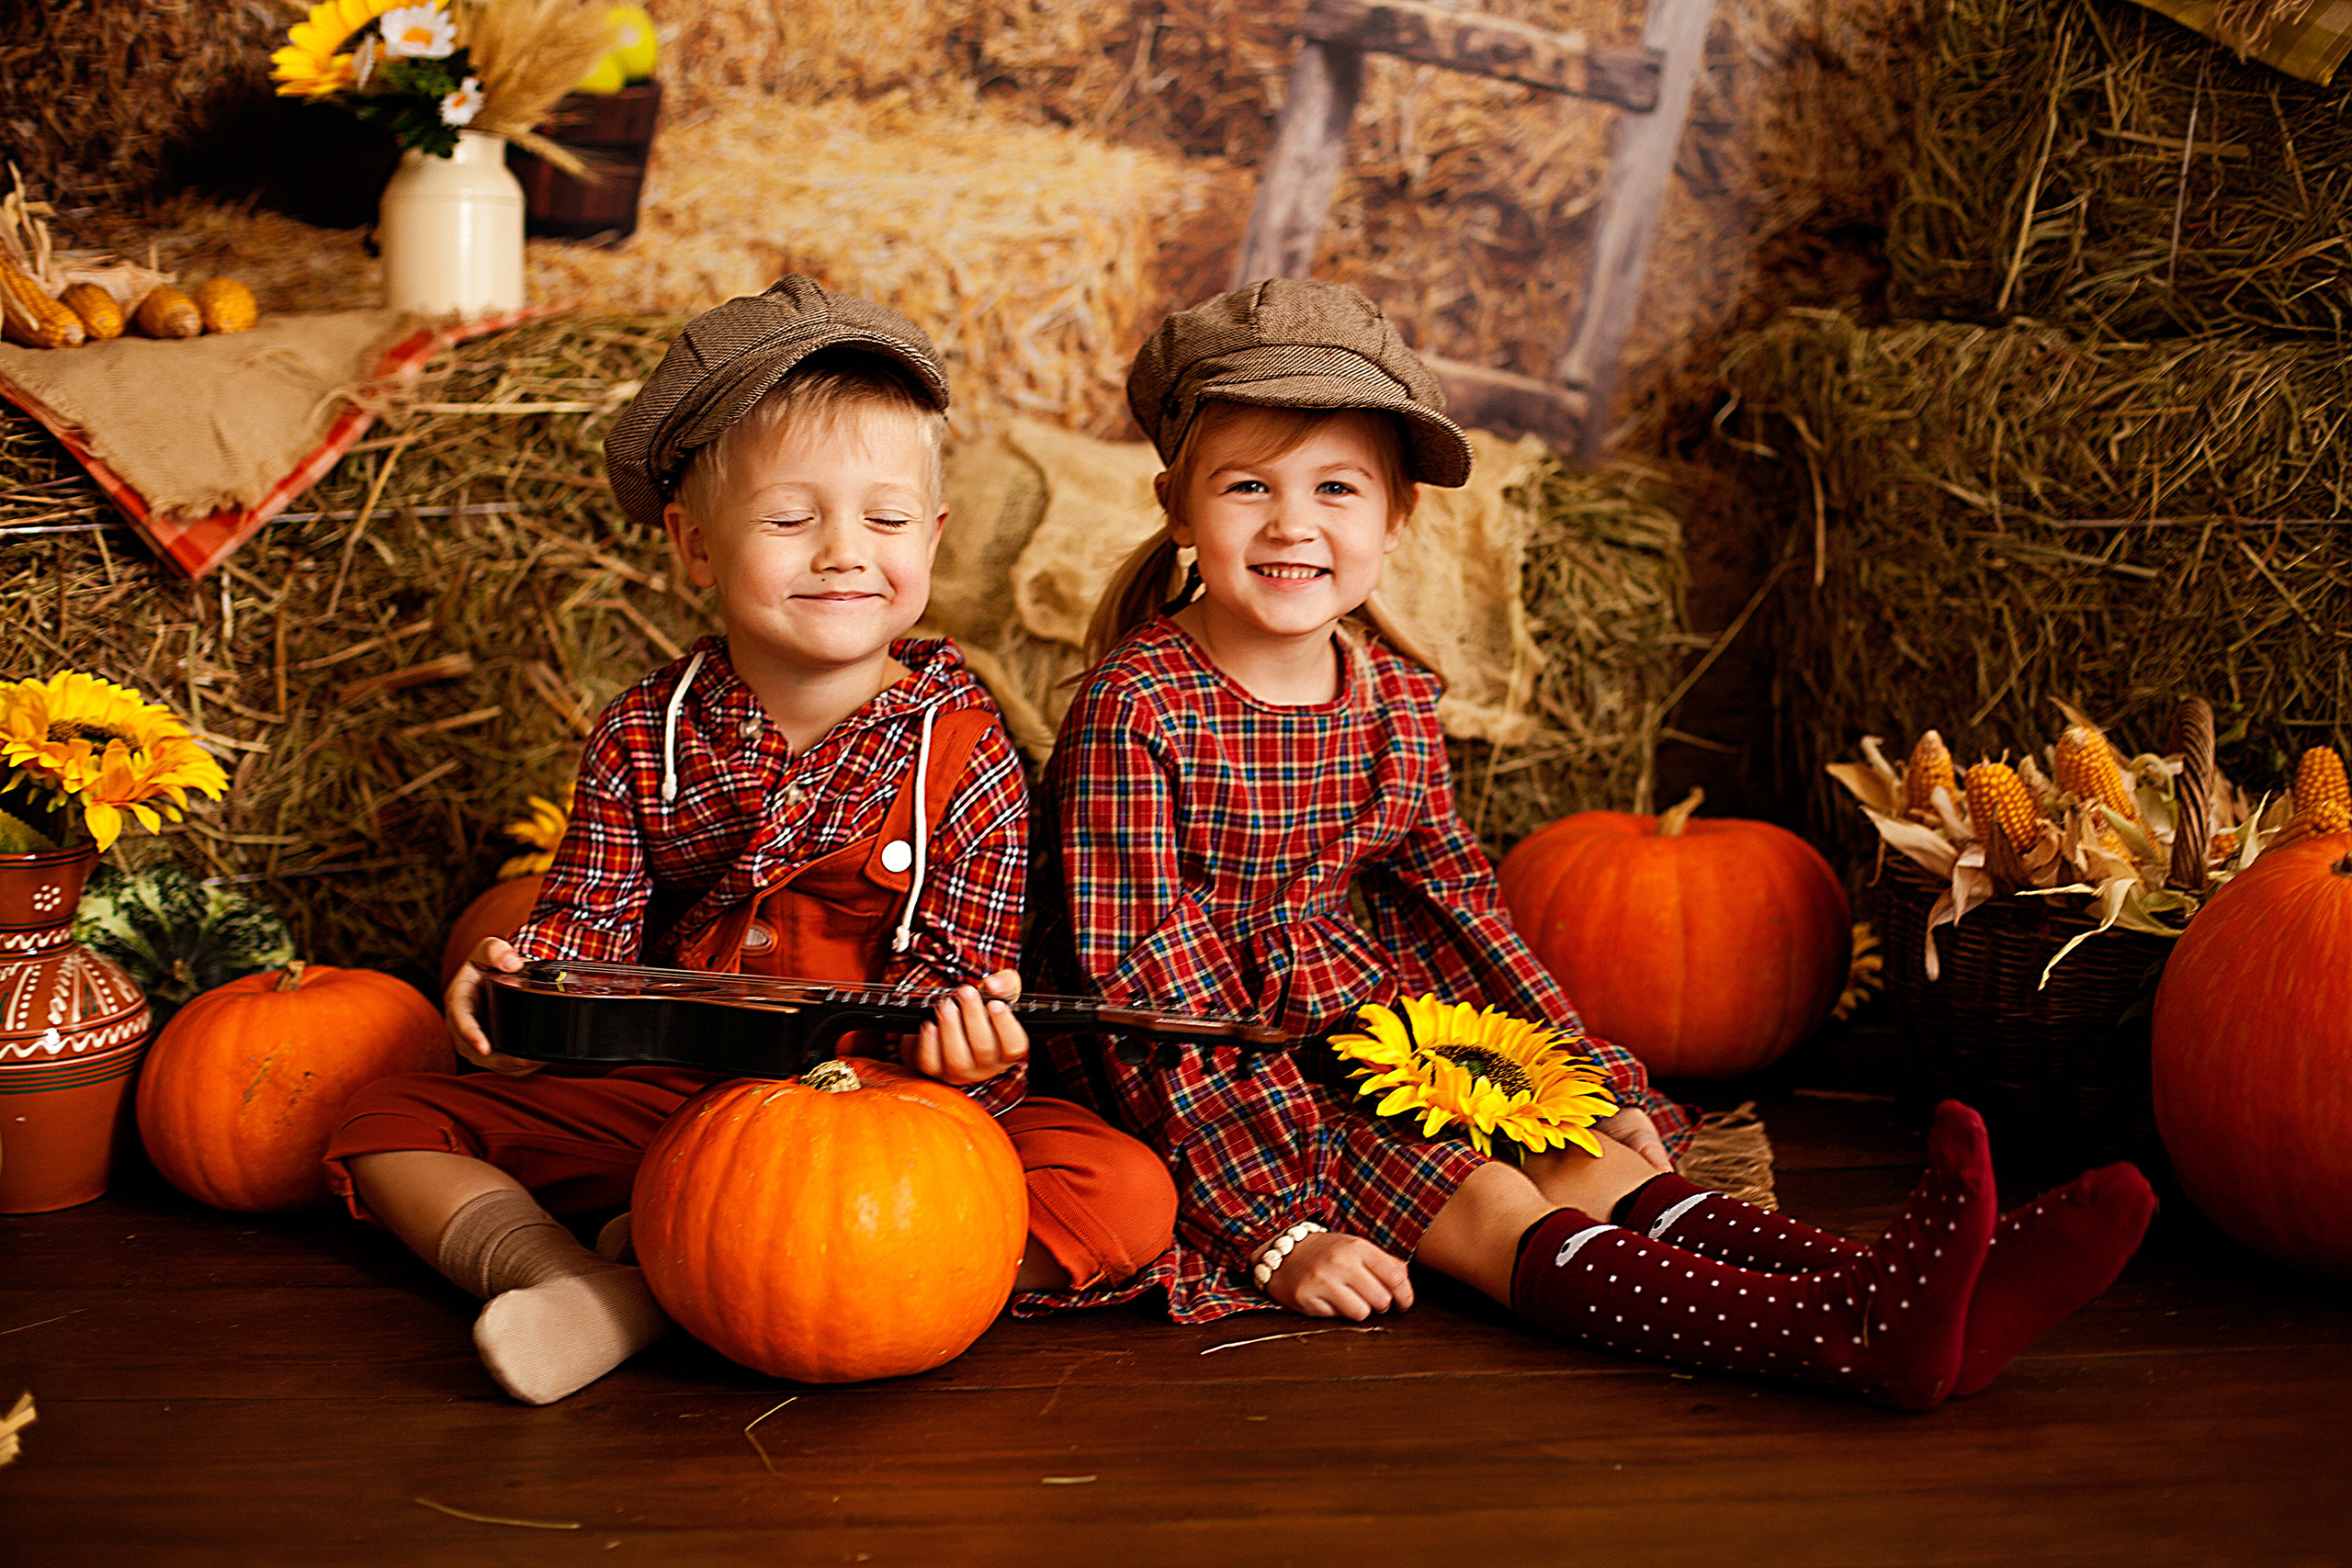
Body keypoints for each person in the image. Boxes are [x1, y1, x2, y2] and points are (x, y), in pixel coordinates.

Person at [1024, 278, 2155, 1409]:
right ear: (1179, 508)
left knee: (1587, 1151)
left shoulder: (1390, 692)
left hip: (1349, 1021)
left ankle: (1891, 1291)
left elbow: (1456, 906)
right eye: (1245, 487)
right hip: (1196, 1061)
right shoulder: (1140, 709)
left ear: (1396, 518)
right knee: (1478, 1197)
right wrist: (1274, 1227)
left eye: (1335, 488)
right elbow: (1142, 985)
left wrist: (1577, 1071)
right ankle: (1828, 1335)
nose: (1291, 524)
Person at [324, 277, 1177, 1405]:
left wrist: (966, 1054)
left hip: (889, 1115)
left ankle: (654, 1296)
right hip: (681, 1090)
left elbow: (960, 978)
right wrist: (521, 1005)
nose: (841, 553)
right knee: (387, 1116)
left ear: (932, 539)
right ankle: (561, 1277)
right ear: (694, 545)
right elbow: (583, 940)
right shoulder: (645, 735)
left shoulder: (967, 754)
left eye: (883, 520)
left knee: (1120, 1188)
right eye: (788, 518)